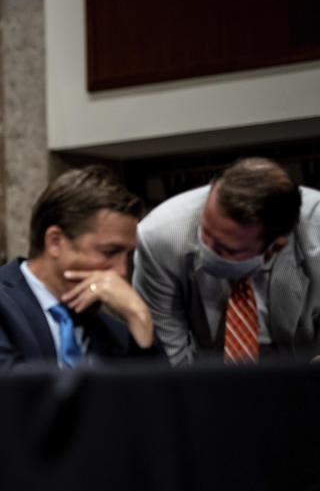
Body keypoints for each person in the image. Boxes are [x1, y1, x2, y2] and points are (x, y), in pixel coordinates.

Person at [0, 166, 165, 369]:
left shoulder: (112, 331)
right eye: (109, 253)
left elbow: (156, 408)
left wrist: (139, 316)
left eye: (128, 255)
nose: (121, 272)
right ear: (55, 241)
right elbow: (4, 389)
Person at [133, 157, 320, 366]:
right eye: (204, 232)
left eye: (226, 249)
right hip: (206, 383)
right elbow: (169, 360)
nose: (205, 250)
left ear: (275, 246)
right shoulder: (160, 237)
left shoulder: (316, 232)